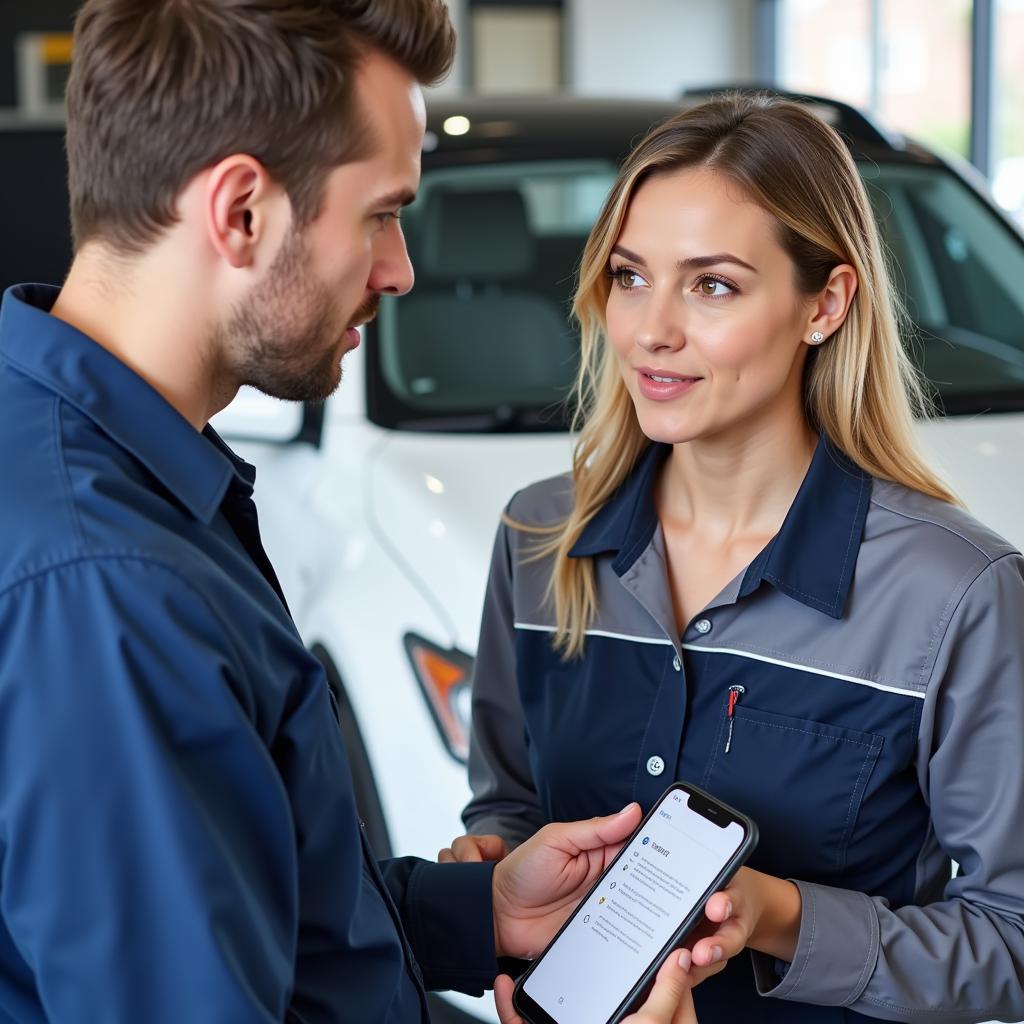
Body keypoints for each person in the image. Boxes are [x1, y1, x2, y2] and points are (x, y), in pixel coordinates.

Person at [0, 2, 700, 1022]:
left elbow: (258, 912)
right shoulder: (111, 586)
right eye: (380, 213)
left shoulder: (105, 469)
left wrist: (481, 909)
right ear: (241, 212)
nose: (401, 269)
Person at [454, 94, 1024, 1023]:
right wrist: (489, 865)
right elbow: (507, 806)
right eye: (631, 276)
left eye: (712, 284)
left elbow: (1013, 941)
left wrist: (782, 917)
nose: (650, 330)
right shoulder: (537, 542)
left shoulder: (954, 594)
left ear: (825, 304)